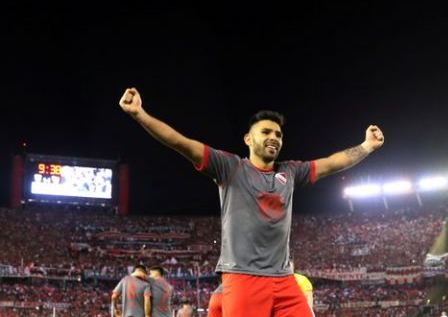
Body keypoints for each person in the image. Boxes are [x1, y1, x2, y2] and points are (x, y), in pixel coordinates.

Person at [119, 87, 384, 317]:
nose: (274, 137)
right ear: (248, 139)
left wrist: (366, 146)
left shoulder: (290, 172)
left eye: (278, 134)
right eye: (266, 131)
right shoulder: (230, 167)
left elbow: (332, 163)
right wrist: (139, 114)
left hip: (284, 279)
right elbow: (181, 142)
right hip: (243, 278)